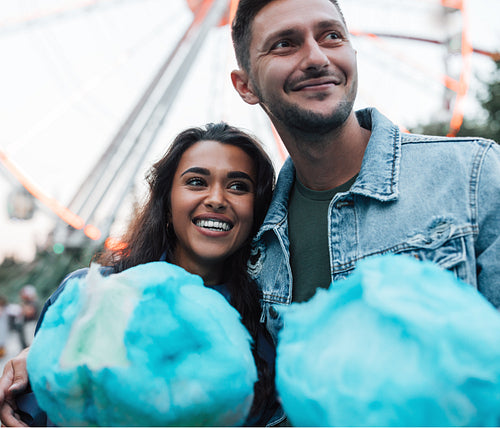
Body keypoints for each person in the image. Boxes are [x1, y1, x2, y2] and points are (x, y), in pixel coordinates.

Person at [229, 0, 500, 343]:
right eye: (285, 44)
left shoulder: (473, 175)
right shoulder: (251, 237)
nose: (316, 58)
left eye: (331, 36)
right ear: (245, 86)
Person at [0, 122, 283, 426]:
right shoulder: (89, 294)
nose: (216, 198)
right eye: (197, 182)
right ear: (167, 199)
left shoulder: (267, 327)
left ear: (258, 207)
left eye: (238, 186)